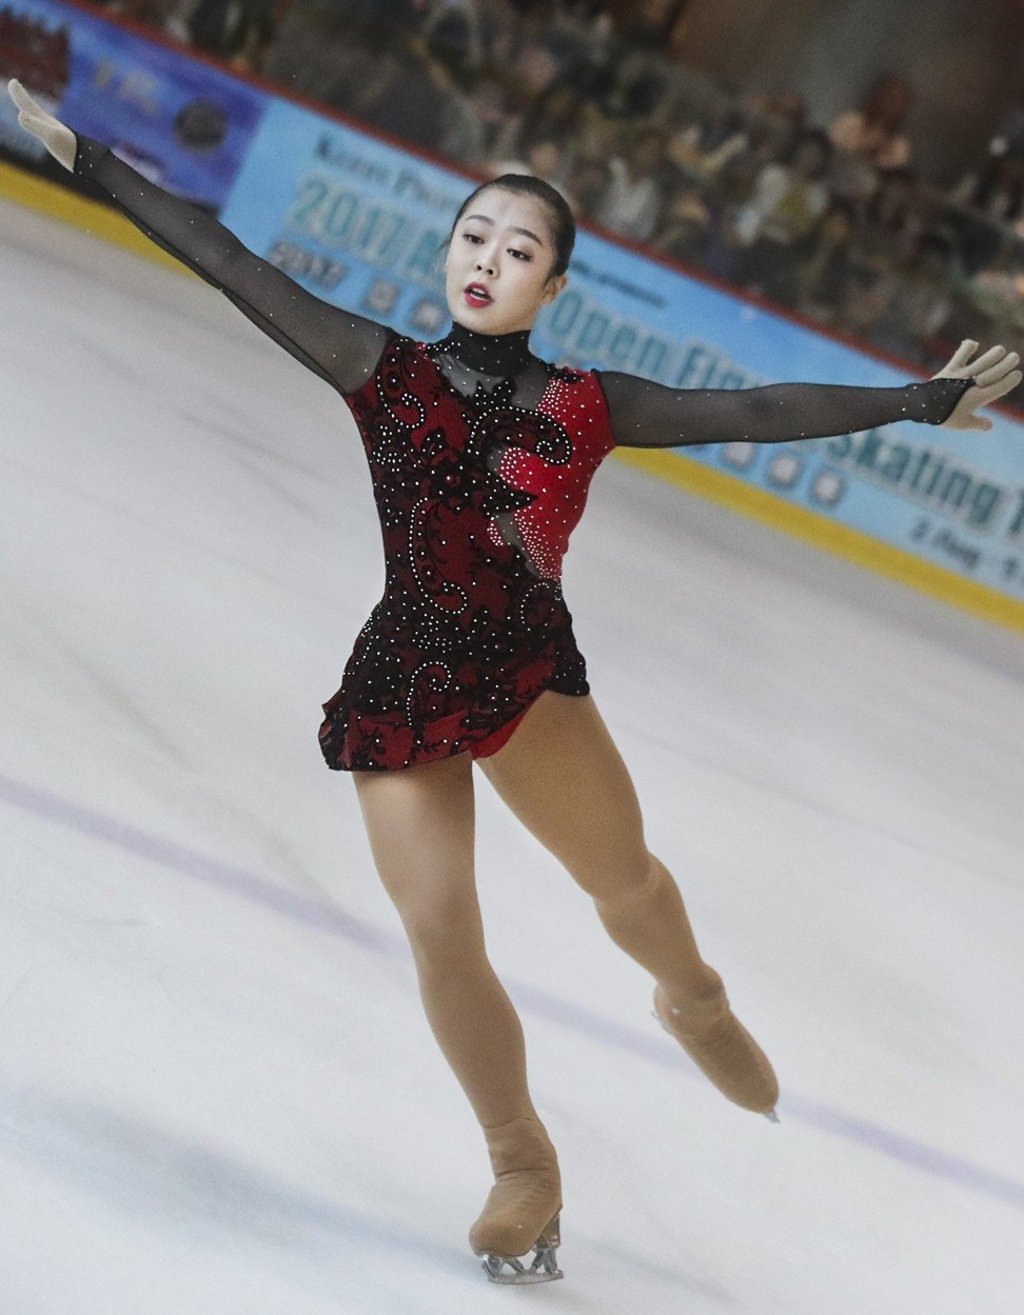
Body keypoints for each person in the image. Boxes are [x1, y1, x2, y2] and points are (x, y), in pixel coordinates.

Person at [8, 76, 1020, 1286]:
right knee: (440, 927)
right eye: (473, 236)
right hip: (402, 684)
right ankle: (521, 1162)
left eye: (520, 246)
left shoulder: (585, 407)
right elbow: (224, 258)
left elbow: (750, 403)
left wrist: (916, 399)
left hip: (530, 683)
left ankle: (691, 997)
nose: (488, 257)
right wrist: (90, 161)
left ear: (554, 285)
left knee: (624, 880)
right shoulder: (375, 368)